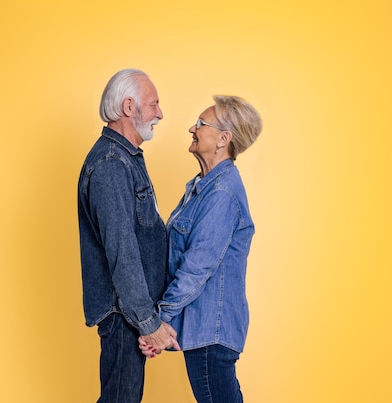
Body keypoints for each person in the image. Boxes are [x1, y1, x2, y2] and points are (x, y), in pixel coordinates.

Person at [139, 95, 263, 402]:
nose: (191, 129)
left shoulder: (221, 193)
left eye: (201, 123)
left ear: (224, 138)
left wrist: (160, 322)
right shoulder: (202, 187)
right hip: (203, 332)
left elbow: (197, 267)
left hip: (212, 333)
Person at [77, 68, 180, 403]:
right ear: (129, 106)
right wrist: (148, 323)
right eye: (154, 104)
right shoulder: (110, 164)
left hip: (130, 314)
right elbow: (123, 252)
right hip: (124, 315)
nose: (160, 113)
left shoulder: (126, 158)